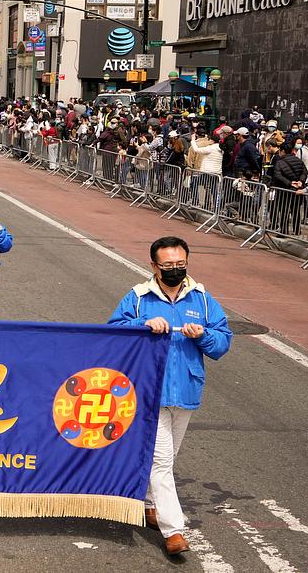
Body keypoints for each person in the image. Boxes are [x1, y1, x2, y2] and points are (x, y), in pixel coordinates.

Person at [108, 236, 231, 555]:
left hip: (187, 390)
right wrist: (142, 323)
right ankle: (174, 530)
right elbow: (114, 333)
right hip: (149, 391)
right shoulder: (138, 297)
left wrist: (203, 335)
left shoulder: (202, 299)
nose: (175, 270)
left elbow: (222, 343)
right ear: (154, 266)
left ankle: (149, 505)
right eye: (168, 265)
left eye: (181, 264)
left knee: (165, 458)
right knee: (161, 461)